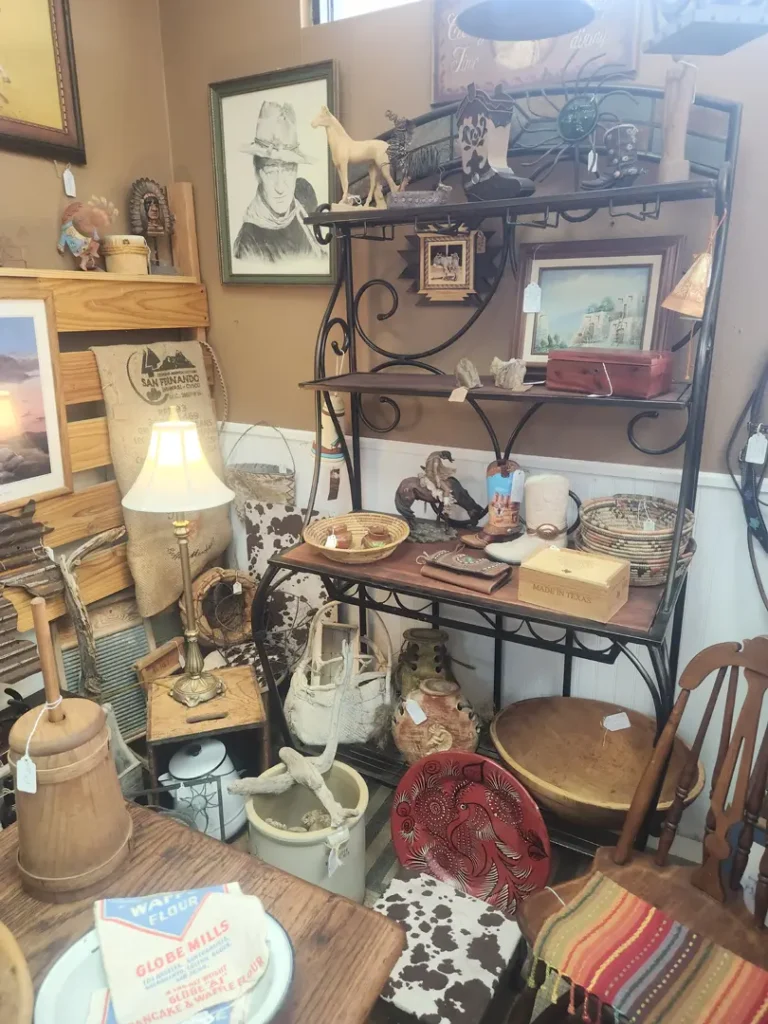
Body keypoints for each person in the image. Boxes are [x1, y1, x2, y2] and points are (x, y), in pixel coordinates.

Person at [234, 101, 323, 263]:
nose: (281, 188)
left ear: (296, 170)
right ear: (258, 173)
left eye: (288, 170)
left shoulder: (304, 195)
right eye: (271, 171)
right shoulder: (249, 243)